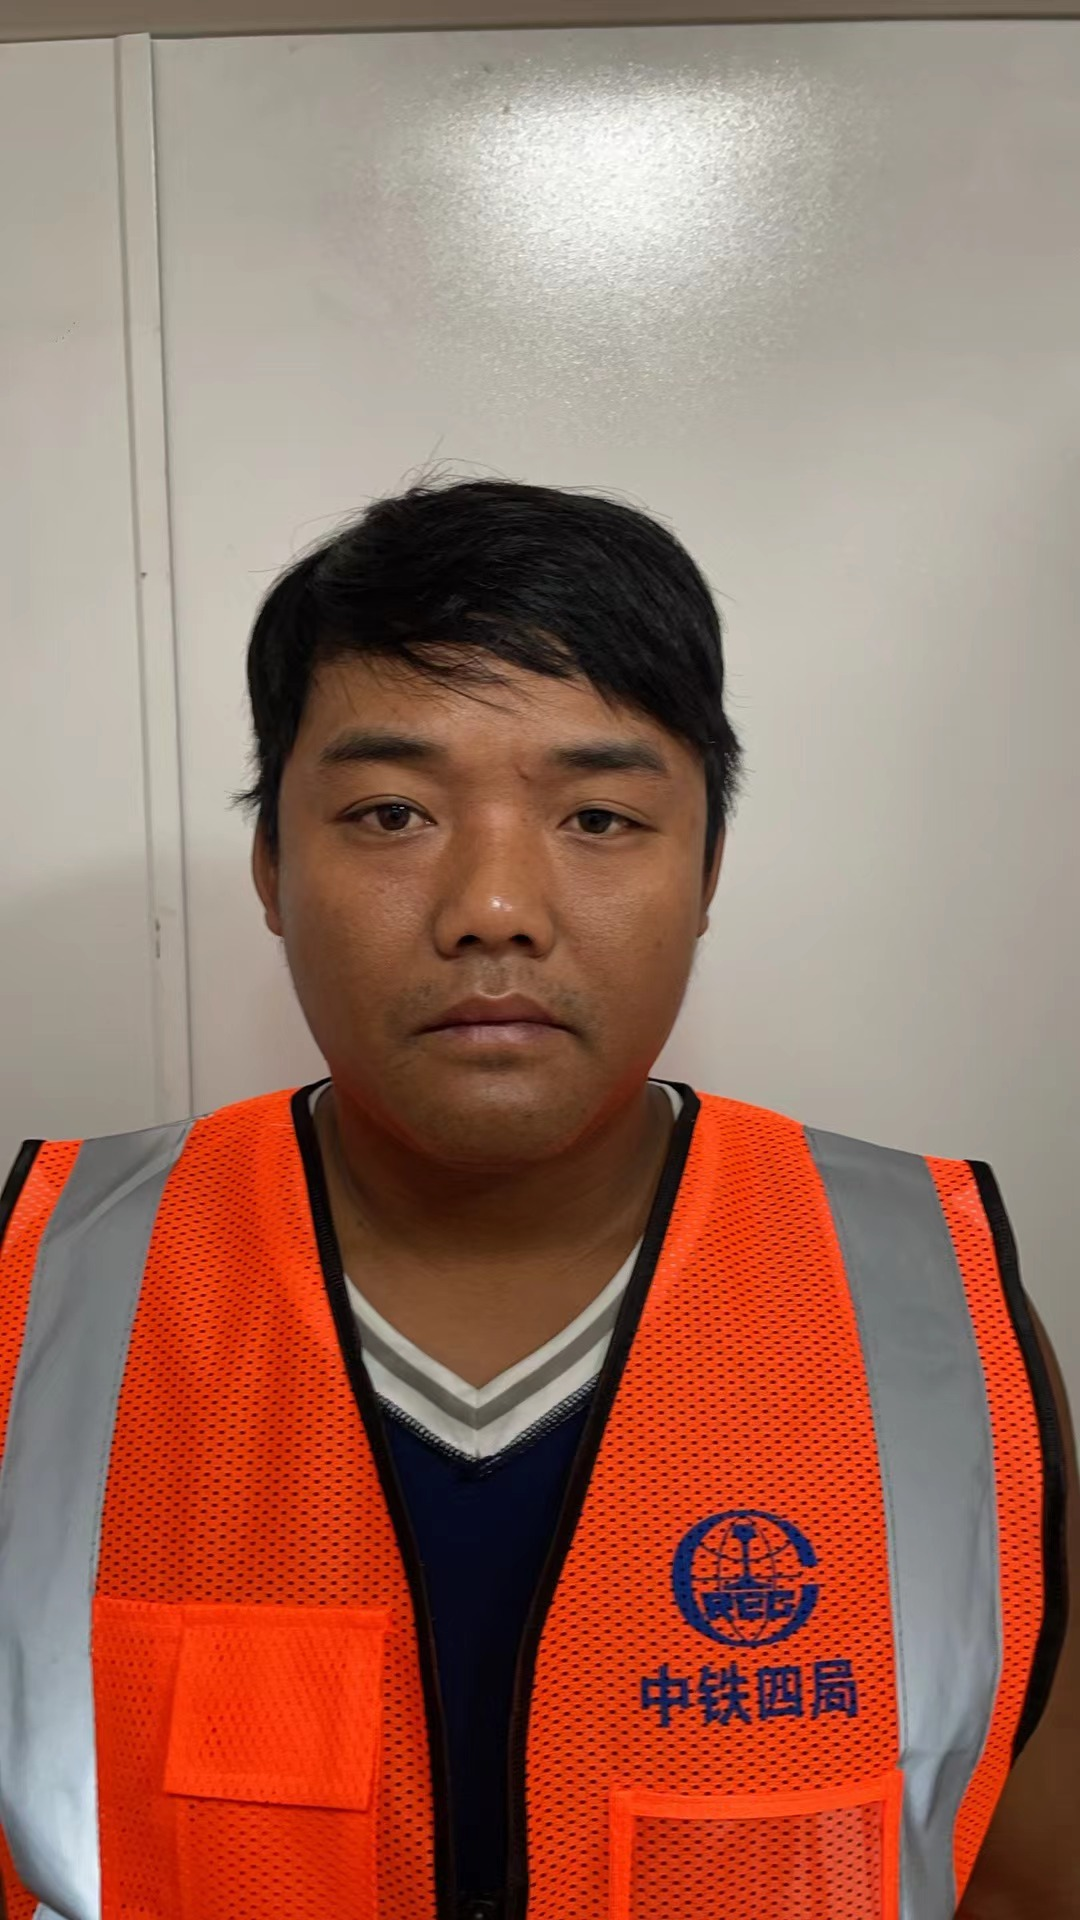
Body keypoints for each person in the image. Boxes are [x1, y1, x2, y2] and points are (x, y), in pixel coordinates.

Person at [0, 476, 1076, 1920]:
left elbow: (1022, 1875)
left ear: (708, 868)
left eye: (600, 816)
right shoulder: (45, 1296)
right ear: (271, 867)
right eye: (391, 812)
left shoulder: (937, 1317)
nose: (494, 908)